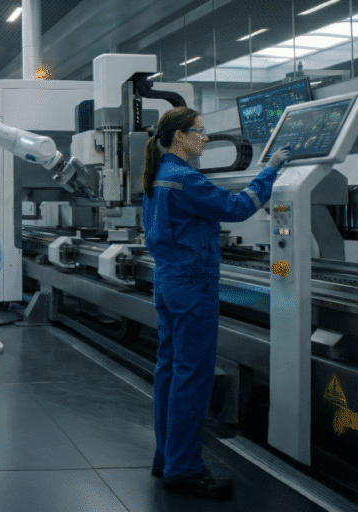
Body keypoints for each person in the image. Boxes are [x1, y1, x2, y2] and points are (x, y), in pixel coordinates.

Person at [142, 106, 290, 500]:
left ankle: (167, 457)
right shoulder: (185, 178)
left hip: (168, 280)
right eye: (199, 131)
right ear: (179, 136)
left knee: (170, 371)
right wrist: (270, 170)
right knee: (192, 375)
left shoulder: (160, 176)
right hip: (192, 285)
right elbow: (237, 208)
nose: (205, 137)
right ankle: (184, 469)